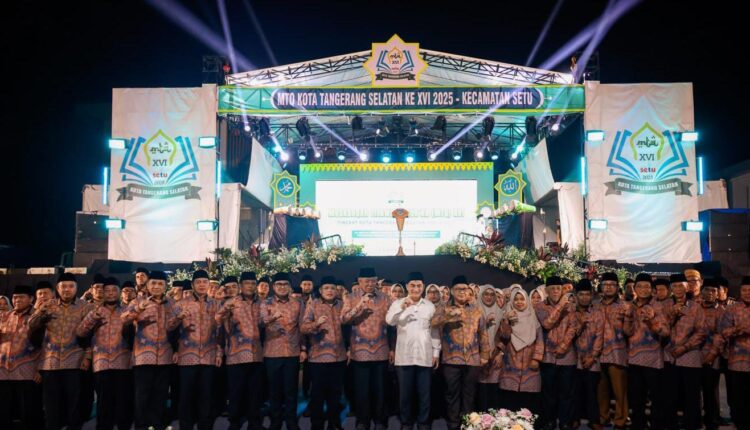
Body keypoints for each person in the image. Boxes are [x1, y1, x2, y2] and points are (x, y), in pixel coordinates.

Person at [29, 272, 92, 430]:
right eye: (63, 286)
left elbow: (91, 335)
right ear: (57, 288)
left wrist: (87, 357)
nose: (67, 289)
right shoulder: (48, 305)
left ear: (76, 288)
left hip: (75, 362)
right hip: (50, 363)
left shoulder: (85, 307)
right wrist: (41, 312)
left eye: (71, 286)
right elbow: (31, 325)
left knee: (74, 405)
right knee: (51, 406)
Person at [121, 270, 181, 430]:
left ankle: (157, 425)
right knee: (142, 395)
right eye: (153, 283)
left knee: (160, 395)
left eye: (160, 284)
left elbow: (176, 328)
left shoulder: (171, 304)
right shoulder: (137, 301)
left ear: (165, 286)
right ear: (147, 285)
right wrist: (139, 308)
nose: (156, 286)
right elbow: (123, 320)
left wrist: (176, 349)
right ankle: (141, 426)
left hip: (165, 356)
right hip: (143, 357)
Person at [431, 275, 490, 430]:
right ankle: (453, 425)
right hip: (451, 360)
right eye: (458, 289)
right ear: (452, 291)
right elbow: (433, 322)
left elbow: (483, 332)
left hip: (472, 359)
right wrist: (448, 316)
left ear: (469, 291)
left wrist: (485, 355)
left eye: (464, 289)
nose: (462, 292)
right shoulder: (444, 307)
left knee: (469, 394)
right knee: (452, 394)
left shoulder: (476, 309)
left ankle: (467, 425)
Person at [75, 277, 133, 430]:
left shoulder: (127, 311)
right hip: (101, 363)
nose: (111, 293)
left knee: (123, 401)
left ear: (119, 292)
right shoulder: (95, 311)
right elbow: (80, 332)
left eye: (114, 290)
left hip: (123, 363)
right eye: (107, 290)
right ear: (103, 292)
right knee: (103, 402)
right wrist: (92, 318)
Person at [386, 272, 440, 430]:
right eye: (412, 285)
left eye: (419, 286)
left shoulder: (430, 306)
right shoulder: (398, 303)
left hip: (424, 355)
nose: (416, 288)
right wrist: (402, 308)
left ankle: (423, 422)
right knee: (405, 394)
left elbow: (434, 330)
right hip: (404, 356)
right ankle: (406, 422)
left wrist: (436, 353)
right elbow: (389, 321)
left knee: (425, 393)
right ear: (407, 286)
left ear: (423, 287)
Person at [341, 267, 393, 430]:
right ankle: (362, 420)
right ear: (359, 281)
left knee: (380, 389)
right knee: (361, 389)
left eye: (373, 281)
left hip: (381, 351)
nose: (370, 284)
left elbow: (392, 326)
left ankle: (380, 420)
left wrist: (392, 348)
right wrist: (359, 306)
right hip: (359, 352)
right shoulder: (351, 297)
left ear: (376, 281)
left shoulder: (386, 298)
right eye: (366, 281)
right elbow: (344, 319)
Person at [216, 271, 265, 430]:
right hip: (235, 355)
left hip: (256, 354)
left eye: (253, 283)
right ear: (241, 285)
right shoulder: (232, 302)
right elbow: (217, 320)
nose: (250, 286)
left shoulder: (262, 303)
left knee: (255, 392)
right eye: (247, 283)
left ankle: (254, 423)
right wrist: (225, 309)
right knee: (236, 392)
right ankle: (234, 423)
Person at [175, 269, 223, 430]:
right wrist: (178, 318)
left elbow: (220, 332)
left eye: (205, 282)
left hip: (209, 356)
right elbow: (169, 328)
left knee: (206, 396)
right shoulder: (181, 304)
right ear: (192, 284)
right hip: (187, 356)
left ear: (209, 284)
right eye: (198, 282)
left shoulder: (216, 304)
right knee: (186, 397)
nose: (202, 285)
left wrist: (219, 353)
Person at [622, 273, 669, 430]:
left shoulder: (659, 306)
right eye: (640, 286)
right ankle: (638, 425)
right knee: (636, 398)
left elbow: (665, 333)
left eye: (647, 286)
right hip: (634, 358)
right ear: (634, 288)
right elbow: (627, 333)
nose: (643, 289)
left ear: (652, 289)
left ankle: (656, 425)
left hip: (653, 359)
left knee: (657, 398)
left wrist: (652, 321)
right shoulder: (629, 306)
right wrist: (628, 318)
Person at [261, 272, 307, 430]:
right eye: (279, 284)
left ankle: (291, 421)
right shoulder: (265, 303)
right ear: (273, 287)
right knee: (274, 391)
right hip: (272, 352)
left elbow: (302, 327)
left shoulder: (298, 303)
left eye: (285, 284)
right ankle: (275, 421)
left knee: (291, 390)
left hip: (292, 352)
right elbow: (260, 323)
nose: (282, 287)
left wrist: (303, 348)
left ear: (290, 287)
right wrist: (272, 317)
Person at [301, 276, 347, 430]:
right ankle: (317, 425)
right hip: (318, 358)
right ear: (320, 290)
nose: (330, 291)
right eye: (326, 288)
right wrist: (317, 324)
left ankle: (334, 423)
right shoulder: (313, 305)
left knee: (336, 393)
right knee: (318, 394)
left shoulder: (342, 305)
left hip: (339, 357)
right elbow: (303, 328)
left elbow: (349, 328)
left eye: (332, 288)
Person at [535, 276, 579, 430]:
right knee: (549, 392)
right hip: (548, 356)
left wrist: (564, 345)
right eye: (552, 288)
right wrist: (560, 306)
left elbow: (573, 327)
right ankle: (550, 421)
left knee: (566, 392)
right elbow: (547, 324)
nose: (555, 291)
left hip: (567, 356)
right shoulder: (540, 306)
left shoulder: (571, 307)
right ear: (546, 290)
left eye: (558, 288)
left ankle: (565, 422)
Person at [664, 273, 706, 430]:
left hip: (690, 357)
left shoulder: (696, 307)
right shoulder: (664, 306)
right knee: (670, 395)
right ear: (671, 288)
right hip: (668, 357)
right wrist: (672, 315)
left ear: (687, 287)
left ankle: (692, 424)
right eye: (674, 286)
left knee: (691, 395)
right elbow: (659, 328)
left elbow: (701, 332)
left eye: (681, 286)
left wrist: (684, 347)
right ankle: (671, 425)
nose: (678, 289)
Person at [0, 285, 43, 430]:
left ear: (31, 299)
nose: (17, 300)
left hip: (27, 371)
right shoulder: (5, 316)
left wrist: (40, 369)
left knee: (28, 413)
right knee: (3, 413)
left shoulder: (37, 316)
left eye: (21, 297)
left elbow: (46, 344)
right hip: (3, 372)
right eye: (15, 297)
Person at [496, 285, 543, 414]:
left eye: (522, 299)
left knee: (528, 399)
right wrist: (506, 320)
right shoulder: (508, 317)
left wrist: (536, 359)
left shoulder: (533, 317)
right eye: (516, 299)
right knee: (510, 399)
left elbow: (539, 340)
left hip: (530, 364)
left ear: (527, 301)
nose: (519, 302)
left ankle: (526, 423)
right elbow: (504, 336)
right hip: (511, 363)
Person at [595, 272, 629, 430]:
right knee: (601, 390)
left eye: (612, 285)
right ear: (601, 287)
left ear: (617, 287)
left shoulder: (625, 306)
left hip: (617, 353)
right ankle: (603, 417)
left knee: (619, 390)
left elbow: (630, 332)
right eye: (605, 284)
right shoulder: (595, 305)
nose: (608, 288)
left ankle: (620, 420)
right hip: (598, 354)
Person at [718, 276, 750, 430]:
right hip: (737, 362)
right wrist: (739, 329)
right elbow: (723, 332)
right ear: (740, 291)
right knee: (738, 397)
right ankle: (739, 423)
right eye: (744, 290)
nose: (747, 293)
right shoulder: (732, 309)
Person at [572, 279, 604, 430]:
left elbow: (600, 335)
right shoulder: (570, 312)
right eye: (581, 294)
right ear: (576, 295)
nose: (584, 297)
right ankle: (575, 418)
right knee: (575, 391)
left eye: (587, 294)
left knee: (592, 391)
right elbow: (569, 335)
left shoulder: (597, 313)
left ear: (591, 295)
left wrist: (593, 356)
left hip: (593, 359)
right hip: (573, 358)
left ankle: (594, 420)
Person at [699, 278, 726, 430]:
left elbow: (721, 336)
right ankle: (696, 419)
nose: (710, 293)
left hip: (711, 358)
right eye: (707, 290)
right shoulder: (694, 308)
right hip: (692, 356)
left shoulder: (722, 312)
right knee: (693, 391)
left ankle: (712, 421)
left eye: (713, 291)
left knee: (710, 391)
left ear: (717, 294)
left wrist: (711, 356)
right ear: (701, 291)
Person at [476, 284, 504, 412]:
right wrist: (484, 323)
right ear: (481, 295)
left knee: (493, 388)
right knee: (479, 389)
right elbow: (470, 334)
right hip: (478, 355)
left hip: (495, 355)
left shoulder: (500, 312)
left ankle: (493, 418)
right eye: (486, 294)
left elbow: (505, 337)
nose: (489, 297)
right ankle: (478, 418)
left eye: (492, 294)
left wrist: (500, 353)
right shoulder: (475, 311)